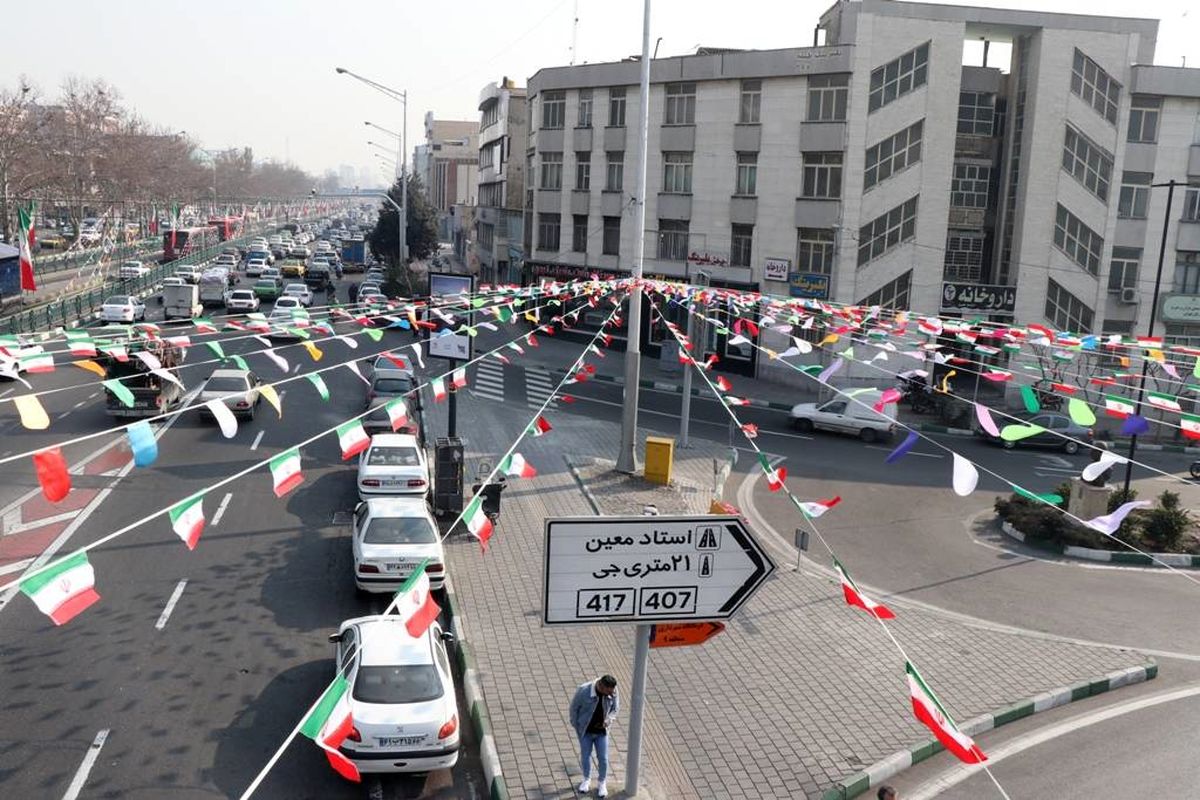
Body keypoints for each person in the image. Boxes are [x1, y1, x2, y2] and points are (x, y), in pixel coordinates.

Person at [569, 675, 619, 797]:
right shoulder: (583, 690)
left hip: (602, 732)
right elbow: (574, 708)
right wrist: (577, 726)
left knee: (603, 758)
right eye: (608, 692)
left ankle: (602, 782)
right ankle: (586, 779)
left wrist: (609, 719)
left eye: (612, 692)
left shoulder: (613, 690)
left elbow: (615, 708)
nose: (611, 694)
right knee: (585, 755)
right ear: (601, 686)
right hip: (585, 731)